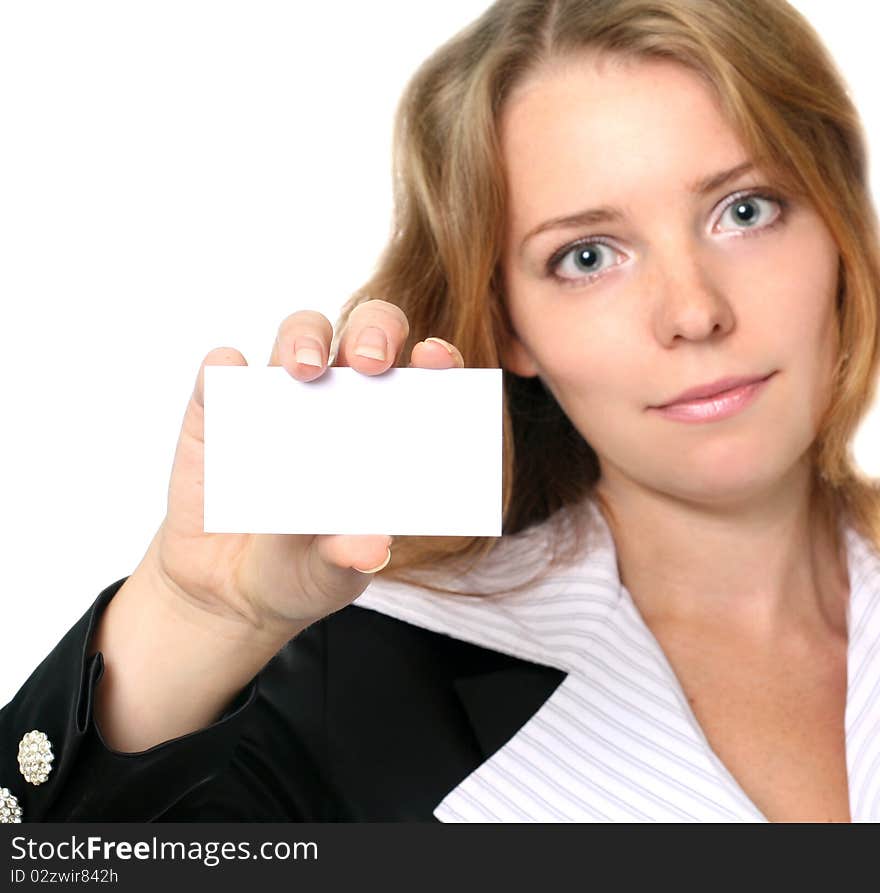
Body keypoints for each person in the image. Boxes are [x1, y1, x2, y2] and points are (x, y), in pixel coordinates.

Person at [2, 0, 880, 824]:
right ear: (511, 324)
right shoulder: (368, 684)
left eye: (746, 209)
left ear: (842, 224)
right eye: (586, 255)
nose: (693, 312)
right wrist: (191, 616)